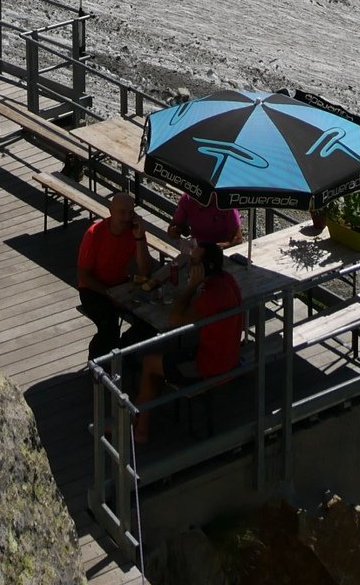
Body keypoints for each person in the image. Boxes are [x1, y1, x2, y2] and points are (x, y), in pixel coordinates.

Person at [134, 242, 244, 443]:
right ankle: (141, 415)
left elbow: (174, 319)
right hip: (230, 357)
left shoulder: (211, 295)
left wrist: (191, 286)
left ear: (205, 267)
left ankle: (140, 429)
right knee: (163, 359)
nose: (189, 265)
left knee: (149, 362)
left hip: (209, 368)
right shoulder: (228, 280)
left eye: (193, 262)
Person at [77, 191, 151, 361]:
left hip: (120, 285)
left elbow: (146, 270)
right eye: (122, 212)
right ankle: (96, 367)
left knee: (147, 321)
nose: (127, 217)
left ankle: (124, 353)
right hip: (93, 289)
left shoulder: (134, 232)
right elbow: (84, 276)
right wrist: (110, 294)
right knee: (108, 326)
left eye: (130, 212)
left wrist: (140, 239)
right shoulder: (94, 234)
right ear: (111, 211)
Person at [167, 189, 244, 248]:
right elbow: (173, 227)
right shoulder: (187, 199)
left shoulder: (225, 203)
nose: (201, 202)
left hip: (221, 251)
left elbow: (238, 238)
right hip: (195, 248)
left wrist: (211, 249)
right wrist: (174, 231)